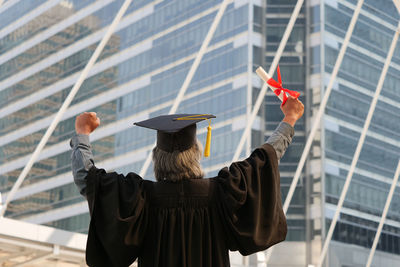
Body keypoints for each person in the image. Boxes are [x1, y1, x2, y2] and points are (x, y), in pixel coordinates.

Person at [71, 96, 304, 267]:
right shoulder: (224, 192)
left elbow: (88, 178)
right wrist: (289, 118)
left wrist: (83, 133)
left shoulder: (139, 199)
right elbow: (264, 160)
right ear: (196, 153)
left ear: (157, 157)